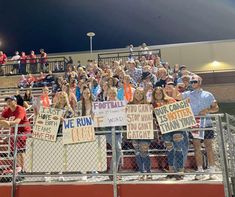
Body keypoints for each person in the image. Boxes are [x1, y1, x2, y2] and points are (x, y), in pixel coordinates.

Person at [175, 75, 219, 180]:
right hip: (195, 124)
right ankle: (200, 170)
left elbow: (216, 108)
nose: (193, 83)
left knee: (209, 147)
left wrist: (207, 110)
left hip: (207, 124)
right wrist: (178, 86)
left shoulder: (208, 94)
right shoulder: (187, 94)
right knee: (196, 148)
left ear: (200, 82)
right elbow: (175, 95)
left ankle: (212, 170)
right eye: (192, 82)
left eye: (195, 81)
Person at [152, 87, 189, 180]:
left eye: (160, 93)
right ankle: (171, 170)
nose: (158, 95)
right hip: (165, 130)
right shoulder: (153, 105)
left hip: (176, 128)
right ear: (154, 95)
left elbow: (179, 110)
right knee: (170, 150)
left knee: (178, 149)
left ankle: (180, 171)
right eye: (156, 93)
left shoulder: (171, 100)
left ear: (163, 93)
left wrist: (185, 104)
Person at [0, 96, 31, 172]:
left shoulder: (20, 109)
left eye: (10, 100)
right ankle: (19, 168)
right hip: (14, 132)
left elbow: (17, 122)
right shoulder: (7, 110)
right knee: (15, 151)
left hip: (24, 131)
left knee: (21, 150)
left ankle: (23, 169)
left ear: (15, 101)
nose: (9, 102)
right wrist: (4, 121)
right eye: (7, 101)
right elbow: (1, 118)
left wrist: (8, 123)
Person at [129, 87, 152, 180]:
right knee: (137, 152)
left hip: (145, 131)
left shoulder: (147, 104)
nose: (139, 95)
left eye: (141, 93)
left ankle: (148, 172)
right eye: (137, 93)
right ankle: (142, 172)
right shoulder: (130, 104)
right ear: (134, 94)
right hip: (134, 131)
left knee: (144, 151)